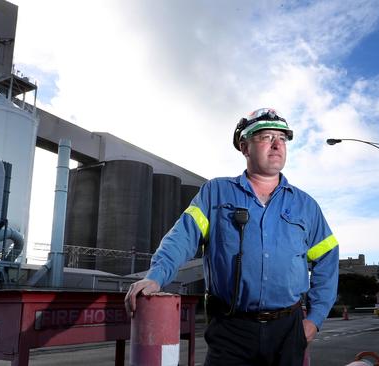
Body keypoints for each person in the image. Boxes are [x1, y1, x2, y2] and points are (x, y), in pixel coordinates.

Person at [125, 108, 339, 365]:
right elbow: (182, 237)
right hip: (231, 330)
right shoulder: (216, 193)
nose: (276, 144)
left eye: (282, 138)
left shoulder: (306, 205)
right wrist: (155, 277)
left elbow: (327, 259)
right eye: (266, 136)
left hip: (288, 330)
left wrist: (314, 320)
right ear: (244, 147)